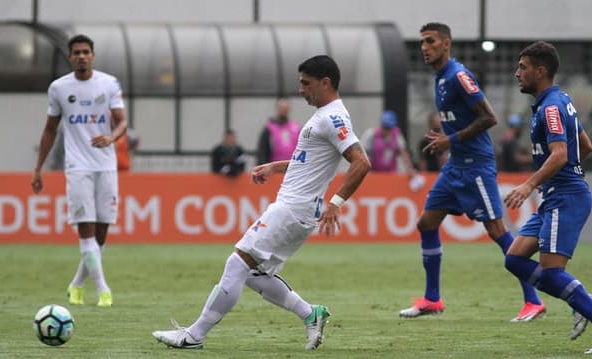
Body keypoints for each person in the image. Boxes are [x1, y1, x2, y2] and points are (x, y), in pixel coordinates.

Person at [152, 55, 371, 350]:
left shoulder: (333, 117)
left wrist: (337, 203)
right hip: (297, 207)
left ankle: (194, 335)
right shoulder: (323, 115)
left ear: (325, 82)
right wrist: (275, 167)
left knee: (237, 262)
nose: (301, 90)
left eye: (306, 84)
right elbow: (308, 160)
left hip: (294, 207)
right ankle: (311, 314)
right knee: (254, 274)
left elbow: (361, 162)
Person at [398, 22, 545, 322]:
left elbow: (489, 117)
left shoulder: (458, 76)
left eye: (430, 41)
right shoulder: (439, 78)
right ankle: (432, 299)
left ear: (447, 44)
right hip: (455, 166)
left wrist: (449, 140)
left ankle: (534, 300)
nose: (424, 47)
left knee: (497, 231)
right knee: (426, 223)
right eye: (421, 42)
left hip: (476, 165)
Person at [504, 40, 592, 354]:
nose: (517, 73)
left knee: (553, 271)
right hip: (556, 196)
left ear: (540, 71)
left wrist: (529, 185)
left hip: (566, 196)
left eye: (523, 67)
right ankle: (580, 297)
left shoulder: (552, 106)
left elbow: (560, 154)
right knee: (515, 258)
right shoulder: (556, 102)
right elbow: (584, 146)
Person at [31, 34, 127, 307]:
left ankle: (76, 285)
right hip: (77, 167)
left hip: (106, 165)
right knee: (85, 231)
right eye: (77, 52)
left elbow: (122, 122)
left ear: (92, 56)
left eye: (86, 52)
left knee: (101, 234)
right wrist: (37, 168)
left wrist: (112, 138)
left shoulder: (108, 83)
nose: (81, 56)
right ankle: (102, 289)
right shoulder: (59, 88)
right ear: (70, 57)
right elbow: (50, 129)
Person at [361, 110, 418, 176]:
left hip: (391, 173)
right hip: (375, 173)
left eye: (389, 128)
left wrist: (410, 168)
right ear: (381, 125)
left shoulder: (397, 135)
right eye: (385, 127)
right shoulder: (371, 134)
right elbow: (363, 154)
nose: (387, 131)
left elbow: (404, 153)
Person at [256, 97, 302, 165]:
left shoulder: (296, 127)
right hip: (274, 169)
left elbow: (301, 147)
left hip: (292, 168)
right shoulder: (269, 128)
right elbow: (262, 151)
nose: (284, 110)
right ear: (277, 108)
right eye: (282, 108)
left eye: (286, 108)